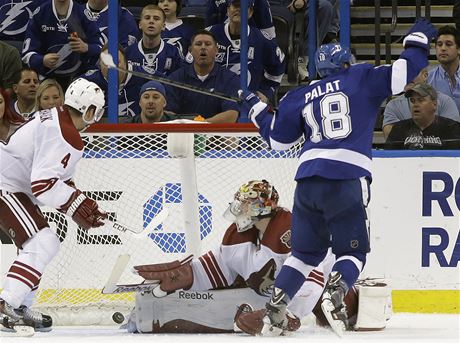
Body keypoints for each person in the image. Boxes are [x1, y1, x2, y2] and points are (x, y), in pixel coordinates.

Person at [238, 18, 437, 336]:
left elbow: (278, 140)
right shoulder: (360, 76)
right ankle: (338, 287)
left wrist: (255, 110)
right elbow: (405, 72)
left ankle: (277, 304)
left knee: (304, 254)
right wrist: (417, 39)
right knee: (353, 252)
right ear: (346, 61)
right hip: (347, 176)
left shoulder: (299, 95)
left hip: (307, 182)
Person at [130, 180, 334, 333]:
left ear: (259, 207)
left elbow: (311, 282)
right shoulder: (240, 235)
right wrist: (185, 274)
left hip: (320, 291)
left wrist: (287, 314)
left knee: (332, 307)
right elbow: (216, 269)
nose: (238, 210)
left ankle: (351, 305)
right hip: (270, 298)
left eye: (244, 205)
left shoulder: (290, 229)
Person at [0, 78, 107, 333]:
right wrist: (77, 203)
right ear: (90, 110)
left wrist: (81, 203)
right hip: (6, 184)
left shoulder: (57, 118)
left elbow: (54, 178)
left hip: (13, 184)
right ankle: (6, 304)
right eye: (97, 111)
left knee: (40, 244)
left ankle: (20, 305)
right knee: (42, 242)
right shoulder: (66, 134)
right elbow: (43, 185)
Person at [207, 0, 285, 106]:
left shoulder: (262, 40)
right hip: (213, 101)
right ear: (228, 10)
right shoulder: (210, 35)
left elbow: (277, 68)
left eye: (243, 6)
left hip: (247, 106)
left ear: (250, 12)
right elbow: (189, 65)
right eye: (235, 6)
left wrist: (266, 92)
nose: (239, 9)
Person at [21, 0, 102, 90]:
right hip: (47, 79)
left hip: (81, 78)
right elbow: (27, 54)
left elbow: (101, 48)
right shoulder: (40, 13)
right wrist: (42, 60)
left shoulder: (82, 14)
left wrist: (87, 47)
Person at [165, 30, 240, 123]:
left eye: (208, 44)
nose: (203, 47)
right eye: (198, 44)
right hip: (184, 133)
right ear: (190, 51)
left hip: (217, 134)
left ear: (216, 50)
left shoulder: (230, 79)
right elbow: (168, 114)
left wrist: (200, 127)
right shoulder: (175, 78)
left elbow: (231, 115)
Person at [383, 68, 460, 139]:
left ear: (425, 75)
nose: (407, 78)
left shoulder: (445, 101)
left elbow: (453, 135)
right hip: (406, 153)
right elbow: (391, 138)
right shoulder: (393, 106)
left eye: (411, 73)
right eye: (404, 74)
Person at [385, 83, 460, 150]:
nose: (415, 105)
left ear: (434, 104)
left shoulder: (451, 128)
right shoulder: (398, 129)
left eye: (420, 100)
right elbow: (389, 158)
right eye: (412, 101)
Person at [125, 4, 184, 78]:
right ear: (140, 24)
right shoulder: (128, 52)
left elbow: (182, 80)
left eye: (156, 19)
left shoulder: (174, 53)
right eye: (147, 18)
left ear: (163, 26)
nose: (151, 21)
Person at [427, 25, 460, 113]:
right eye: (439, 44)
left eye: (448, 44)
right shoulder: (427, 80)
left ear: (459, 49)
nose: (443, 48)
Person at [206, 0, 276, 39]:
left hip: (251, 42)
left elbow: (270, 35)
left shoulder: (261, 2)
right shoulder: (214, 2)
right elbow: (207, 34)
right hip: (222, 43)